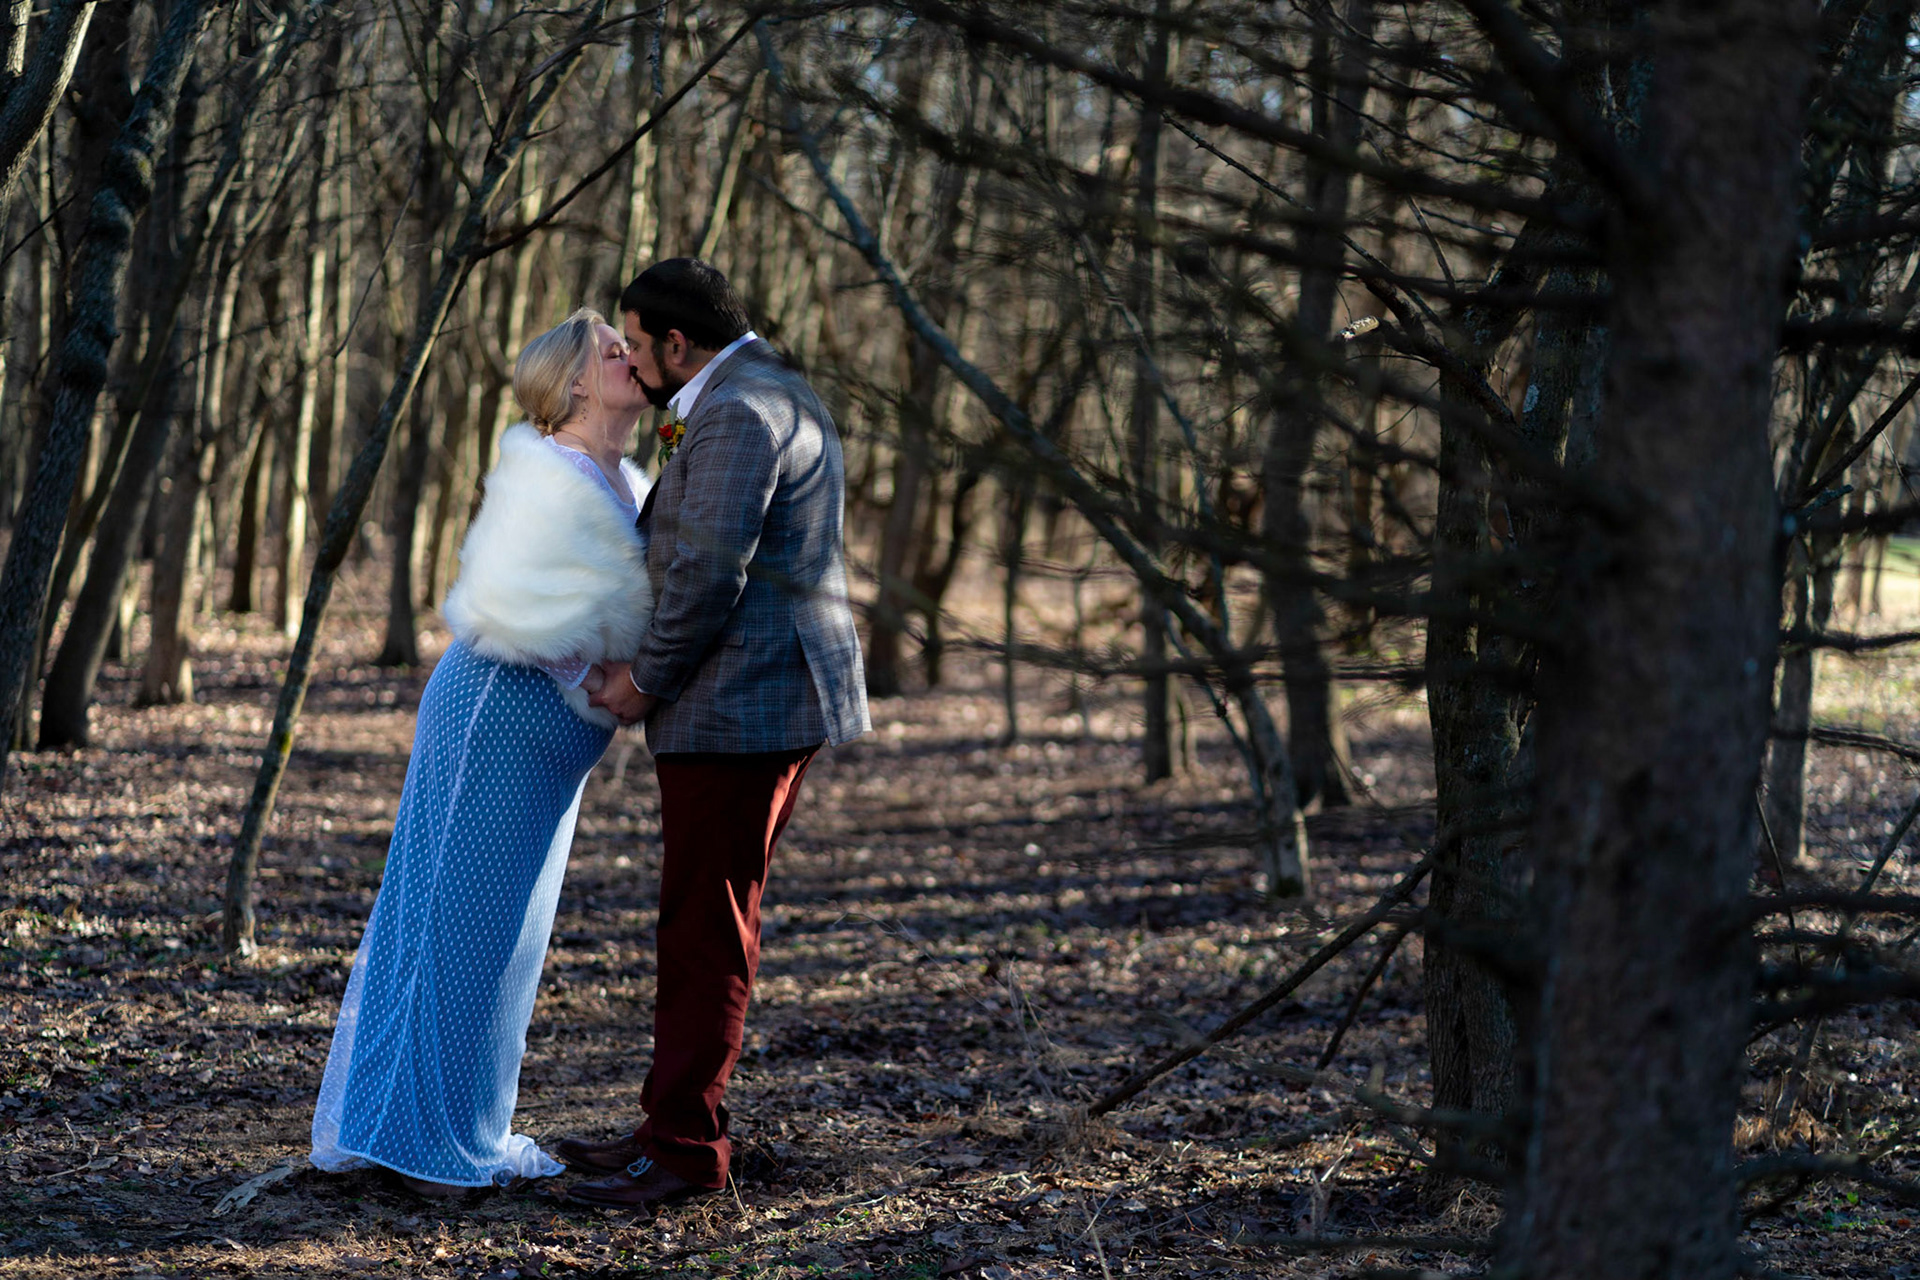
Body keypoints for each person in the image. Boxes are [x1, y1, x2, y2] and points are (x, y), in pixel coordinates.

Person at [310, 308, 652, 1196]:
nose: (630, 357)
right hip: (496, 719)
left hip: (551, 741)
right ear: (574, 382)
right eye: (612, 349)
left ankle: (452, 1128)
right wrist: (610, 678)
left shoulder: (627, 479)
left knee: (507, 939)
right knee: (451, 926)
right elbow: (520, 608)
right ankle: (420, 1145)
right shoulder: (555, 472)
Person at [558, 258, 870, 1208]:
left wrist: (645, 679)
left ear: (676, 342)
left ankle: (687, 1150)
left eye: (637, 344)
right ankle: (669, 1126)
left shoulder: (739, 410)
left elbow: (707, 571)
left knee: (706, 927)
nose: (634, 363)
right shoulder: (763, 388)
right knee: (700, 919)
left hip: (744, 707)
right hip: (753, 699)